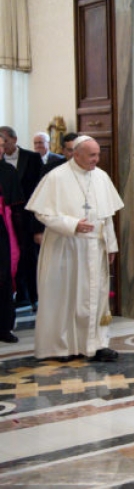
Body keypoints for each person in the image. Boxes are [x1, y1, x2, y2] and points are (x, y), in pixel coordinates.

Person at [26, 136, 124, 361]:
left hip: (94, 248)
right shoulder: (56, 177)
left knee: (96, 297)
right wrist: (72, 225)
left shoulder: (101, 177)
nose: (96, 160)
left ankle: (97, 344)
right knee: (65, 297)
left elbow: (107, 217)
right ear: (76, 154)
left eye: (98, 155)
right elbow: (42, 212)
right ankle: (61, 347)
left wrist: (110, 245)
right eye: (92, 155)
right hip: (66, 247)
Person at [0, 126, 43, 310]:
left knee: (29, 257)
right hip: (8, 217)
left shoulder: (32, 158)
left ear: (14, 140)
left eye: (5, 142)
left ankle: (33, 296)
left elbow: (40, 189)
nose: (4, 147)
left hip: (27, 217)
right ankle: (18, 296)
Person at [0, 147, 23, 343]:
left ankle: (4, 327)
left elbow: (16, 208)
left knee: (4, 277)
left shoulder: (8, 171)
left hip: (3, 229)